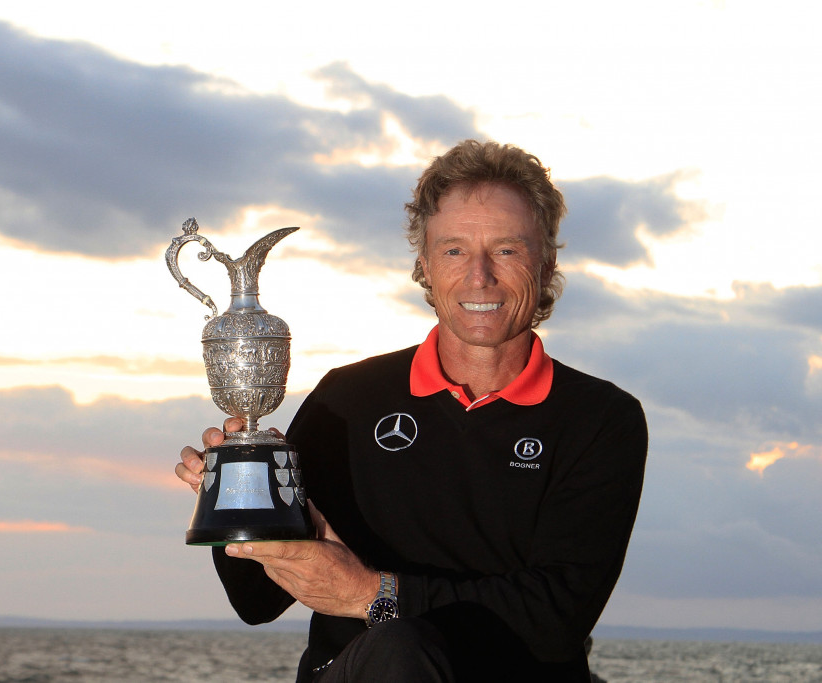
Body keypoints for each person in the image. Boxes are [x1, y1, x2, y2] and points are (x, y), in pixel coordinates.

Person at [176, 139, 648, 682]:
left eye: (507, 250)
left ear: (545, 263)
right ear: (424, 264)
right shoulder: (347, 401)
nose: (479, 276)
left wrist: (372, 594)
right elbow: (254, 602)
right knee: (396, 651)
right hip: (362, 671)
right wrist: (240, 497)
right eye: (453, 250)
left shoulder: (600, 419)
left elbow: (555, 616)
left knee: (402, 639)